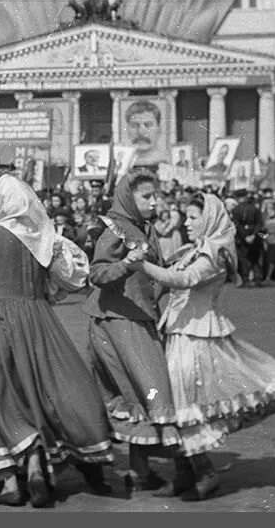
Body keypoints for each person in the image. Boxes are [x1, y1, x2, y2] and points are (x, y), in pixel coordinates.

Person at [0, 173, 113, 508]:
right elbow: (75, 277)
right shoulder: (45, 236)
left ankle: (14, 472)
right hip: (37, 316)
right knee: (45, 384)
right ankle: (41, 456)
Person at [138, 193, 275, 501]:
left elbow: (182, 279)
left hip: (196, 337)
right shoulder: (193, 249)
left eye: (194, 217)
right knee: (175, 401)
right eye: (187, 217)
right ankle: (184, 473)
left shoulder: (214, 254)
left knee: (185, 404)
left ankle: (203, 473)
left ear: (209, 219)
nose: (187, 223)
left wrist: (139, 265)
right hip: (179, 332)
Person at [84, 173, 182, 495]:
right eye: (147, 197)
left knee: (141, 394)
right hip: (117, 322)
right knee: (152, 389)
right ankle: (186, 465)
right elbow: (97, 273)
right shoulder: (115, 230)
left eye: (156, 196)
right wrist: (126, 263)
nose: (155, 202)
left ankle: (140, 471)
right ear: (129, 199)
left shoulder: (145, 228)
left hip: (137, 318)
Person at [124, 100, 164, 165]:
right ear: (127, 130)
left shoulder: (168, 162)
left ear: (159, 130)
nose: (141, 132)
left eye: (148, 125)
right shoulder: (120, 164)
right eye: (134, 125)